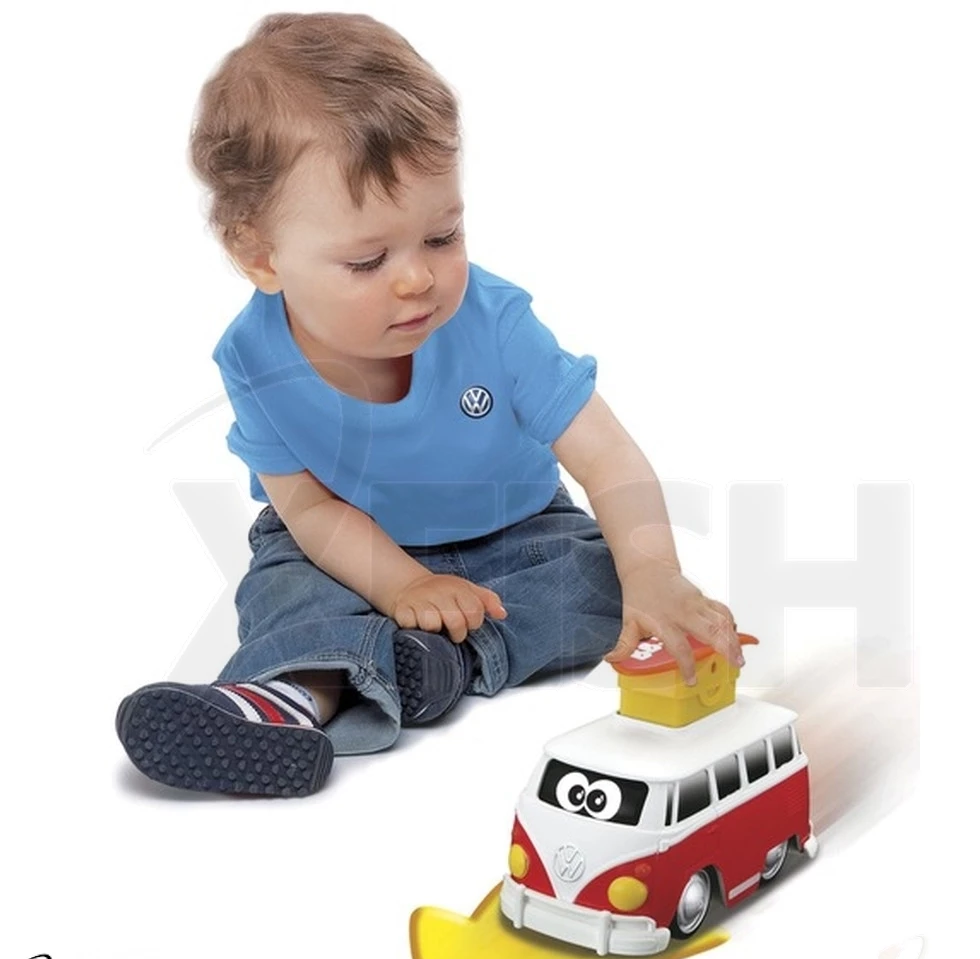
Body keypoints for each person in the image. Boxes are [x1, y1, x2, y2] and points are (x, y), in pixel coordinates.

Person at [115, 12, 744, 798]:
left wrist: (653, 574)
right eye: (368, 260)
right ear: (260, 255)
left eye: (442, 238)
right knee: (290, 592)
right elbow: (308, 508)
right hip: (344, 544)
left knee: (599, 581)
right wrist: (399, 586)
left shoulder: (496, 323)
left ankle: (439, 659)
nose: (417, 279)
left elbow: (606, 454)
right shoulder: (252, 357)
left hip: (516, 531)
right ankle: (283, 701)